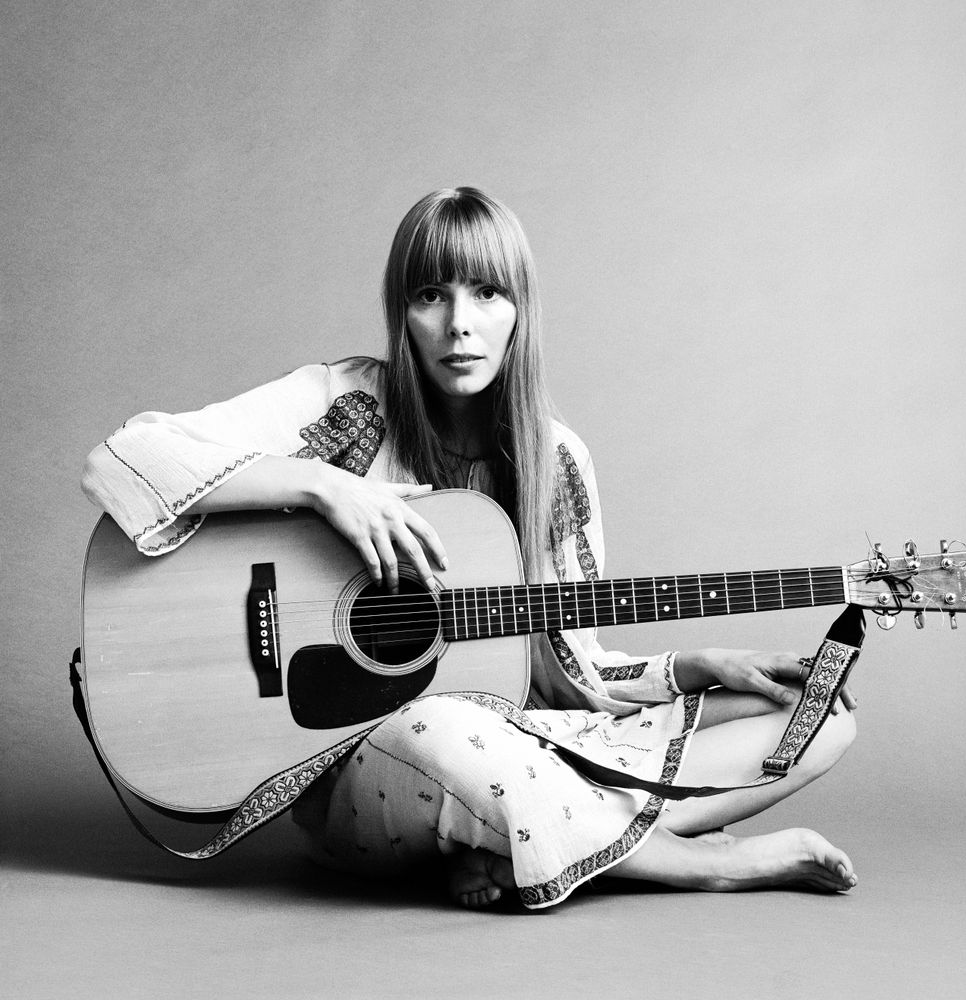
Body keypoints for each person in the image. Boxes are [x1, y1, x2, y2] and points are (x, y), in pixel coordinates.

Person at [82, 186, 858, 910]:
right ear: (402, 311)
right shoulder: (348, 405)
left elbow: (575, 673)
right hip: (371, 773)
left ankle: (511, 841)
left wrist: (696, 665)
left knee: (818, 718)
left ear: (521, 311)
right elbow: (122, 458)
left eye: (488, 293)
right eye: (431, 294)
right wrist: (325, 487)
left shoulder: (556, 463)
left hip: (517, 749)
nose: (460, 323)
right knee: (445, 725)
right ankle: (701, 862)